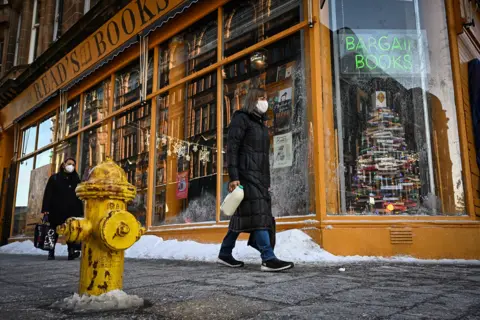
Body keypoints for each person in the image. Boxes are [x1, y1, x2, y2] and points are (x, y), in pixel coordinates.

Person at [218, 88, 294, 272]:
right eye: (261, 98)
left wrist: (266, 180)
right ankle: (267, 257)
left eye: (266, 97)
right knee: (259, 213)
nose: (264, 101)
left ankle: (225, 253)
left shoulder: (260, 123)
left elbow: (262, 156)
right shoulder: (241, 118)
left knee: (244, 215)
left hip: (259, 177)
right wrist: (234, 177)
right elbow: (232, 149)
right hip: (245, 175)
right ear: (252, 100)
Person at [41, 157, 84, 260]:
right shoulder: (55, 178)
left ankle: (71, 252)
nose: (71, 166)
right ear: (64, 164)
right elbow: (48, 194)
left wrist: (80, 211)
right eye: (69, 164)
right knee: (53, 230)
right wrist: (46, 210)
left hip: (71, 210)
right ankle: (51, 252)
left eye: (73, 165)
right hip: (56, 209)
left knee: (71, 231)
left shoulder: (76, 179)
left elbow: (78, 196)